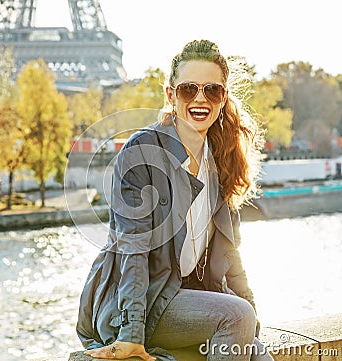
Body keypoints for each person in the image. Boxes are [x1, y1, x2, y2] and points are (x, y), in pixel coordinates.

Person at [77, 39, 274, 361]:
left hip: (195, 299)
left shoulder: (221, 158)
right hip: (146, 301)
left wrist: (251, 314)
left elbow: (230, 252)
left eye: (212, 90)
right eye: (188, 90)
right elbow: (133, 250)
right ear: (171, 95)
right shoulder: (142, 152)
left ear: (223, 98)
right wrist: (131, 332)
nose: (200, 99)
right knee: (236, 317)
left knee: (258, 351)